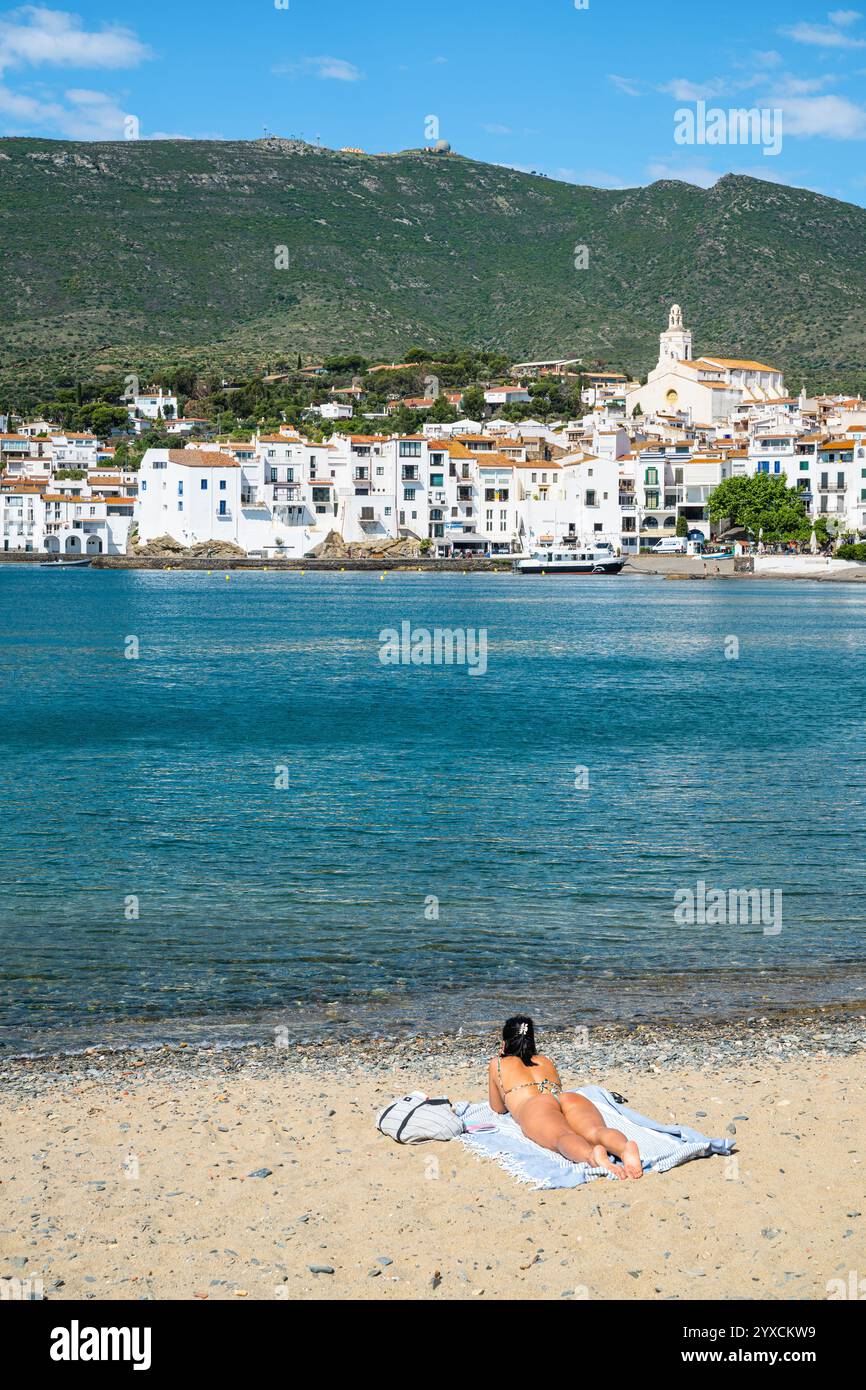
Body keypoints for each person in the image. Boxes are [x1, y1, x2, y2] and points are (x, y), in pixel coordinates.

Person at [488, 1015, 642, 1179]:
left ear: (505, 1042)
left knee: (563, 1136)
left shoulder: (497, 1063)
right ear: (532, 1040)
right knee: (596, 1131)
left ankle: (591, 1156)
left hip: (535, 1106)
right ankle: (624, 1148)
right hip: (567, 1098)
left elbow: (497, 1107)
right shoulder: (545, 1060)